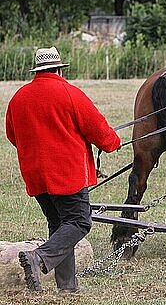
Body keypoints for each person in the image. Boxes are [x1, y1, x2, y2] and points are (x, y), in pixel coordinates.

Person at [5, 47, 121, 293]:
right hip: (66, 174)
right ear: (59, 69)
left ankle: (67, 287)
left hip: (36, 175)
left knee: (59, 225)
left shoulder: (19, 98)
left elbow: (12, 135)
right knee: (79, 222)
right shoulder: (69, 93)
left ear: (37, 70)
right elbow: (99, 131)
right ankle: (39, 258)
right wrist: (114, 142)